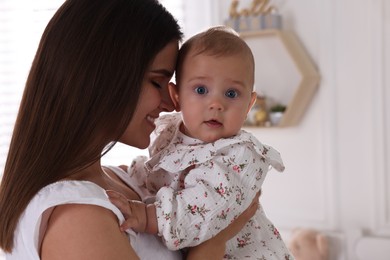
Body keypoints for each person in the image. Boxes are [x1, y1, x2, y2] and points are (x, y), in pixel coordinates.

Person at [0, 1, 259, 259]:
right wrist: (215, 241)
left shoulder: (124, 181)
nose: (171, 104)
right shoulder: (78, 218)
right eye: (157, 82)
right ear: (103, 77)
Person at [108, 26, 293, 259]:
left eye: (232, 94)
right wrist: (132, 173)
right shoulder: (167, 134)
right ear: (176, 96)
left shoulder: (240, 155)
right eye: (201, 89)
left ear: (249, 104)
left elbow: (203, 213)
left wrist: (146, 216)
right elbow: (156, 175)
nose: (216, 104)